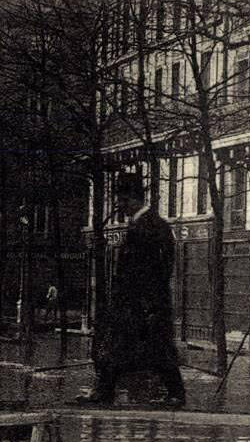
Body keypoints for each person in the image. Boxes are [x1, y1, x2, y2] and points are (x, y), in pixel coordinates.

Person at [77, 172, 186, 407]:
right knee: (119, 347)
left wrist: (147, 303)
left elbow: (158, 269)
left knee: (156, 348)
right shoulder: (145, 225)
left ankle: (176, 394)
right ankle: (105, 391)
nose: (119, 205)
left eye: (122, 201)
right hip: (137, 303)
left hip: (144, 304)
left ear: (134, 199)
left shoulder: (152, 226)